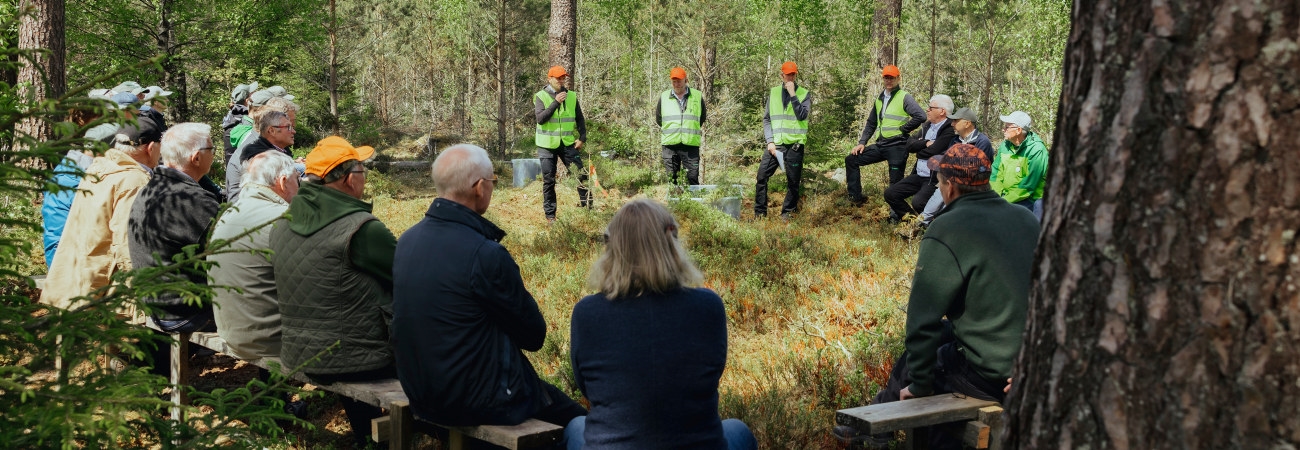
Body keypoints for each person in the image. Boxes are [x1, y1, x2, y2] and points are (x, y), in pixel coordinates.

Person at [832, 144, 1039, 450]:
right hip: (1032, 362)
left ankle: (877, 427)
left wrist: (919, 386)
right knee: (943, 336)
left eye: (939, 181)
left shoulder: (947, 228)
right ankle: (878, 423)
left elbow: (922, 321)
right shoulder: (1026, 219)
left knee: (926, 361)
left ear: (950, 186)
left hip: (989, 374)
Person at [392, 144, 586, 430]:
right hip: (479, 400)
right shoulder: (485, 254)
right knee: (580, 422)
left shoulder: (406, 241)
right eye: (493, 182)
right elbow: (534, 336)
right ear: (479, 188)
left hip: (422, 393)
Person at [563, 199, 757, 450]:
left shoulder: (587, 312)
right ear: (671, 243)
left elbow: (586, 387)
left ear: (612, 249)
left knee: (577, 426)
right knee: (736, 430)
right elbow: (710, 376)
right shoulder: (708, 306)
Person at [269, 136, 393, 447]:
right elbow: (410, 277)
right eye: (363, 171)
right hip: (358, 359)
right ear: (351, 180)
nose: (365, 178)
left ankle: (367, 436)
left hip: (299, 353)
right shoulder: (361, 228)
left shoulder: (282, 222)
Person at [41, 118, 161, 310]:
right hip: (102, 294)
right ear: (152, 147)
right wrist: (139, 296)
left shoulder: (98, 170)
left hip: (74, 282)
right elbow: (127, 243)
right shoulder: (134, 179)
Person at [128, 122, 222, 333]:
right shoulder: (193, 200)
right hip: (183, 311)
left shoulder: (151, 188)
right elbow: (233, 250)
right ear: (196, 157)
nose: (214, 154)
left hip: (155, 303)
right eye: (211, 149)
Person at [208, 151, 300, 360]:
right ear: (283, 182)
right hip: (272, 342)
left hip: (234, 334)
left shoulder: (229, 213)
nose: (299, 185)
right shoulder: (282, 218)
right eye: (297, 178)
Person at [844, 65, 926, 204]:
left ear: (898, 78)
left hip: (898, 146)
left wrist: (903, 129)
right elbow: (871, 123)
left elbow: (921, 116)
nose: (889, 80)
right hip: (881, 145)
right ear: (883, 78)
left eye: (892, 78)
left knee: (895, 183)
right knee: (851, 160)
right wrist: (862, 143)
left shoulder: (904, 97)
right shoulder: (880, 99)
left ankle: (895, 216)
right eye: (886, 77)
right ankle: (855, 198)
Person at [882, 94, 956, 222]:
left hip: (934, 178)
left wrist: (919, 150)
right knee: (891, 194)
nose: (927, 110)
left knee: (918, 203)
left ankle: (935, 225)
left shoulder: (949, 129)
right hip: (919, 174)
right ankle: (913, 223)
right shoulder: (927, 125)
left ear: (942, 111)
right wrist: (925, 142)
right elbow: (909, 144)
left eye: (931, 108)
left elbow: (934, 151)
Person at [534, 65, 591, 222]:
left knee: (581, 175)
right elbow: (540, 119)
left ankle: (588, 209)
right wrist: (556, 103)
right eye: (558, 78)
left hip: (567, 143)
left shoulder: (571, 96)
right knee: (549, 181)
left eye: (563, 78)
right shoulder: (541, 96)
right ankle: (550, 216)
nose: (561, 81)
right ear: (549, 79)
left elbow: (580, 118)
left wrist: (582, 137)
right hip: (546, 144)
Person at [755, 61, 811, 221]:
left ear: (796, 75)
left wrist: (793, 94)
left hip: (794, 146)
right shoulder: (773, 93)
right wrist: (770, 141)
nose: (790, 77)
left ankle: (787, 214)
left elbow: (802, 115)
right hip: (775, 145)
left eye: (793, 74)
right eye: (787, 74)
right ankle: (760, 214)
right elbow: (766, 119)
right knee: (761, 177)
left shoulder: (804, 94)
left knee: (793, 182)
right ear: (782, 75)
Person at [918, 107, 994, 225]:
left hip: (967, 188)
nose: (952, 124)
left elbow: (980, 169)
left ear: (967, 123)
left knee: (946, 213)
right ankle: (915, 230)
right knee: (930, 208)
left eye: (955, 121)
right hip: (948, 182)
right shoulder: (954, 140)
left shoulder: (982, 142)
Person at [226, 96, 299, 202]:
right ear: (272, 128)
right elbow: (279, 190)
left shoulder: (269, 146)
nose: (294, 130)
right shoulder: (257, 155)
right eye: (289, 125)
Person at [990, 110, 1048, 221]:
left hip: (1031, 199)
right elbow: (995, 174)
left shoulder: (1037, 150)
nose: (1003, 130)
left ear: (1018, 130)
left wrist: (1003, 201)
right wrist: (995, 198)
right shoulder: (1005, 146)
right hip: (1006, 198)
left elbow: (1028, 185)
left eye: (1007, 127)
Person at [656, 67, 707, 186]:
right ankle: (674, 204)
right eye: (674, 81)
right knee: (672, 179)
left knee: (693, 178)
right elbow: (659, 119)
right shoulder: (664, 97)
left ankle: (693, 204)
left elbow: (702, 117)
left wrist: (688, 129)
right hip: (670, 145)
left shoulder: (697, 96)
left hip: (690, 145)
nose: (676, 83)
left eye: (679, 80)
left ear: (686, 80)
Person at [222, 82, 258, 159]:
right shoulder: (245, 120)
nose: (255, 94)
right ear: (247, 100)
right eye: (252, 93)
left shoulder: (232, 116)